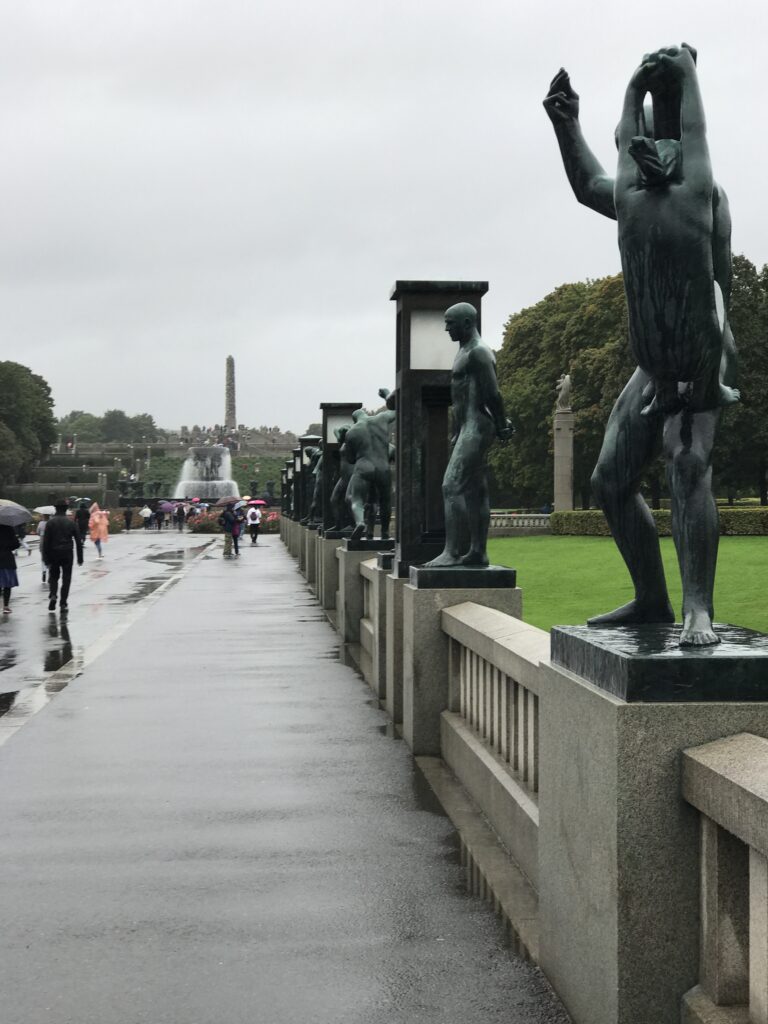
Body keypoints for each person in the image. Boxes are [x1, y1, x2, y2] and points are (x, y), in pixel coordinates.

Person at [544, 45, 737, 646]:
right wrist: (566, 124)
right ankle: (652, 599)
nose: (649, 155)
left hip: (703, 346)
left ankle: (697, 609)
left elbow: (721, 284)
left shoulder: (707, 196)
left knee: (687, 462)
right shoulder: (634, 197)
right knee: (609, 480)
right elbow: (585, 185)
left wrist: (700, 368)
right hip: (653, 359)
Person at [424, 303, 513, 567]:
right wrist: (457, 431)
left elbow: (493, 394)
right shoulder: (463, 351)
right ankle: (478, 552)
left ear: (466, 323)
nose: (446, 328)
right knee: (476, 490)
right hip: (467, 427)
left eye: (450, 323)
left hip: (477, 426)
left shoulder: (479, 353)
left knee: (451, 486)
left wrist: (501, 424)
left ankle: (452, 552)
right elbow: (461, 397)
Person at [42, 500, 84, 613]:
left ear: (56, 509)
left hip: (53, 553)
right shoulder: (71, 523)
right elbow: (78, 541)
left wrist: (45, 557)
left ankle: (53, 595)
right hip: (67, 553)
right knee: (66, 578)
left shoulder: (50, 523)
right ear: (66, 509)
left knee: (54, 576)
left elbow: (46, 542)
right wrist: (80, 558)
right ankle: (63, 602)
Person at [0, 523, 21, 614]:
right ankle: (6, 606)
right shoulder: (9, 528)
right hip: (7, 559)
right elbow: (16, 544)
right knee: (7, 585)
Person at [37, 514, 50, 584]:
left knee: (43, 558)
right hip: (50, 543)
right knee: (50, 558)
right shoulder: (51, 523)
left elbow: (38, 532)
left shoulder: (40, 523)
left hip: (42, 542)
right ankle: (50, 572)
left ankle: (44, 570)